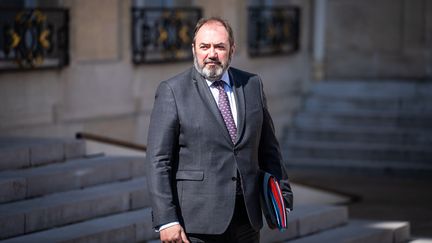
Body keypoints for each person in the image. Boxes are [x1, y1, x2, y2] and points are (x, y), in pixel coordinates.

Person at [146, 17, 293, 243]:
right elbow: (158, 161)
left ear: (232, 49)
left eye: (219, 46)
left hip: (247, 221)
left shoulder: (252, 84)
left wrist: (282, 196)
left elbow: (268, 147)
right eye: (204, 46)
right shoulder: (172, 91)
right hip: (196, 225)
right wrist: (167, 219)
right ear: (194, 48)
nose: (211, 54)